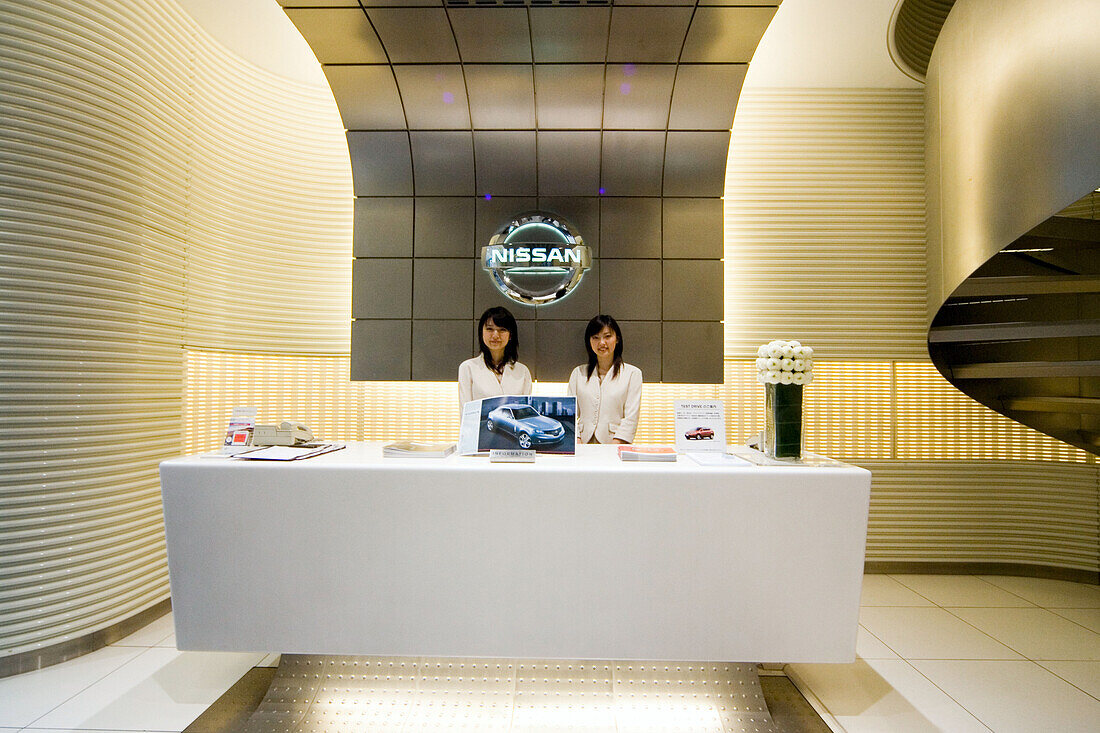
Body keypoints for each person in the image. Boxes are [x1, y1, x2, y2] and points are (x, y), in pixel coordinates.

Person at [567, 315, 642, 444]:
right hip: (582, 444)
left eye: (607, 336)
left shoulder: (632, 374)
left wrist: (614, 446)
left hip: (614, 444)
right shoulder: (578, 373)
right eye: (595, 337)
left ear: (617, 339)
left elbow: (631, 418)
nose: (602, 342)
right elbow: (569, 415)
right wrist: (576, 441)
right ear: (589, 341)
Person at [458, 306, 532, 406]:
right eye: (489, 329)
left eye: (502, 330)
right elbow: (465, 415)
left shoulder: (523, 371)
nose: (496, 335)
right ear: (482, 332)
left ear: (510, 335)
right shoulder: (468, 368)